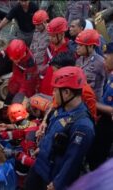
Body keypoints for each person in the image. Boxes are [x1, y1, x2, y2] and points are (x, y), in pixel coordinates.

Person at [24, 66, 95, 190]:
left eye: (55, 90)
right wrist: (41, 148)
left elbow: (73, 160)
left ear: (66, 93)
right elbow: (51, 133)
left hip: (51, 176)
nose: (53, 93)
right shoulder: (62, 109)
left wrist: (57, 183)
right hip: (41, 164)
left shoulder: (82, 127)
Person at [0, 39, 38, 104]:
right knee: (9, 96)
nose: (14, 61)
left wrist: (20, 96)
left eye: (15, 59)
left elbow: (26, 85)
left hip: (26, 84)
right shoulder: (15, 51)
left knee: (18, 102)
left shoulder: (30, 65)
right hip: (15, 79)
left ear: (23, 54)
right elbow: (7, 51)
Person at [86, 42, 113, 170]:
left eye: (106, 58)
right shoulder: (111, 74)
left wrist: (92, 104)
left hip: (109, 125)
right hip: (102, 120)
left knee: (98, 159)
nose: (104, 61)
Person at [38, 17, 69, 96]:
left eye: (53, 36)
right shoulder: (50, 47)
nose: (50, 39)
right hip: (44, 88)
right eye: (49, 35)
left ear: (62, 34)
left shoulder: (67, 53)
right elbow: (45, 65)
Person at [75, 29, 106, 100]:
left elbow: (107, 82)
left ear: (91, 46)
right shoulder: (79, 60)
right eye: (77, 44)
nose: (77, 47)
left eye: (81, 45)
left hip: (94, 102)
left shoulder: (100, 62)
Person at [30, 10, 50, 74]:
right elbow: (32, 46)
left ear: (44, 22)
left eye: (38, 25)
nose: (36, 27)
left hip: (44, 65)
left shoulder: (51, 34)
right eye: (35, 25)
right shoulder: (36, 31)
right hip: (34, 63)